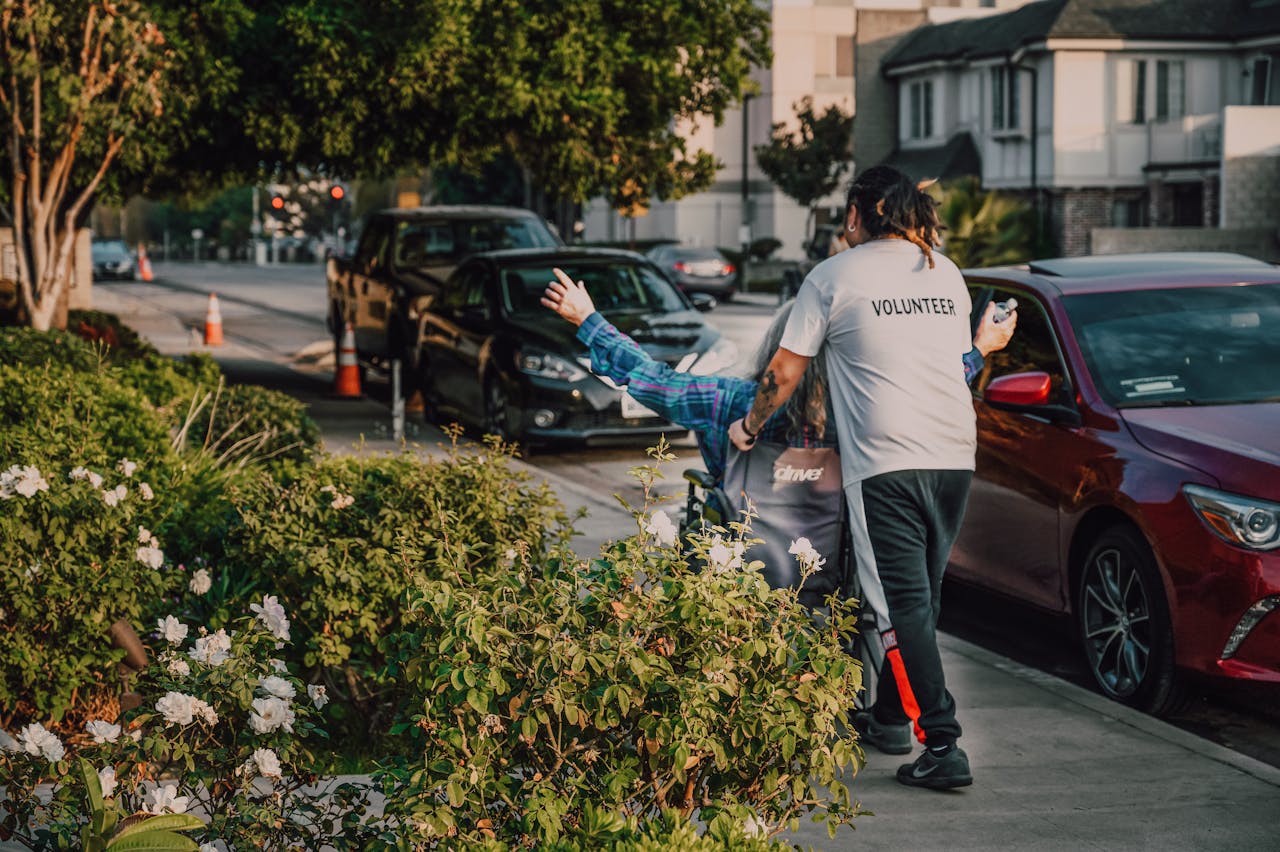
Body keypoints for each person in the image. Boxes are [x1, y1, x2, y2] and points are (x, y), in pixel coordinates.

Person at [728, 165, 993, 790]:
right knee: (920, 600)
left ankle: (943, 744)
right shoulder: (944, 272)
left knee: (899, 608)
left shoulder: (832, 276)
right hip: (955, 455)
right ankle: (890, 717)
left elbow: (785, 371)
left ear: (859, 212)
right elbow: (956, 365)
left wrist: (750, 425)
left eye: (846, 210)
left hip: (886, 464)